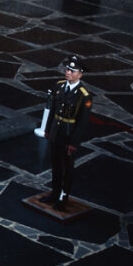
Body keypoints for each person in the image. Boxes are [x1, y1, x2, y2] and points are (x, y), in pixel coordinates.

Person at [42, 55, 92, 211]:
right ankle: (55, 192)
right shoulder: (59, 86)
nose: (68, 72)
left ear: (80, 74)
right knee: (55, 164)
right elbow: (53, 110)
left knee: (67, 168)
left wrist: (74, 143)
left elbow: (82, 123)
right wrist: (48, 129)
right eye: (67, 69)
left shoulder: (84, 96)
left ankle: (64, 197)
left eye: (72, 70)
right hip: (56, 133)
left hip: (69, 136)